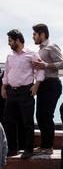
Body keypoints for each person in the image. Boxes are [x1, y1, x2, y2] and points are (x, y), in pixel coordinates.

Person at [1, 29, 45, 159]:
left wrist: (36, 85)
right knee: (9, 122)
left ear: (17, 40)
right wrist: (3, 87)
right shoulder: (10, 56)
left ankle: (28, 149)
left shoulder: (31, 54)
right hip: (11, 92)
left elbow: (40, 70)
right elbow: (7, 73)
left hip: (25, 92)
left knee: (27, 122)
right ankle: (12, 149)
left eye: (10, 41)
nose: (8, 43)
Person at [32, 23, 63, 155]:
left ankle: (47, 146)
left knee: (46, 116)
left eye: (35, 34)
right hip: (43, 85)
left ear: (42, 34)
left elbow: (62, 64)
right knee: (40, 116)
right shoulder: (40, 49)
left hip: (52, 85)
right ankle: (45, 145)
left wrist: (45, 65)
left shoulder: (51, 46)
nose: (33, 37)